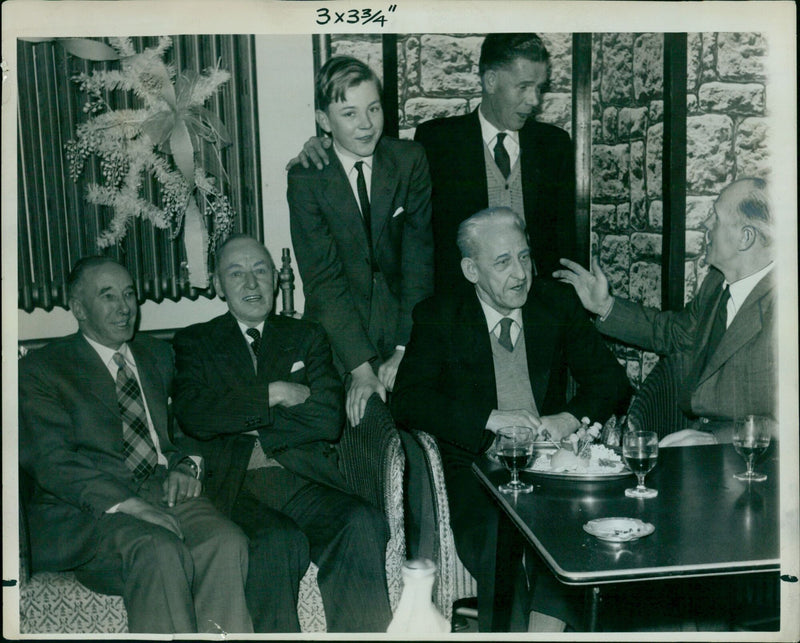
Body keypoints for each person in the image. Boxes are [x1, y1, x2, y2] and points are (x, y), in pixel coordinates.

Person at [391, 207, 631, 631]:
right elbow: (408, 400)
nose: (520, 273)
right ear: (471, 269)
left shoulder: (554, 303)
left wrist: (569, 419)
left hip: (553, 466)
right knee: (500, 543)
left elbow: (611, 381)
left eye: (524, 257)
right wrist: (489, 418)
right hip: (478, 473)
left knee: (581, 532)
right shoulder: (439, 315)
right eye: (502, 262)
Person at [18, 257, 253, 634]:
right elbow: (50, 461)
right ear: (78, 308)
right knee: (158, 550)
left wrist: (186, 465)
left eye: (129, 294)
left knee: (226, 542)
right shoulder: (43, 369)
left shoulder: (157, 355)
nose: (124, 307)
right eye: (107, 296)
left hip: (163, 487)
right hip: (89, 510)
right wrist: (132, 506)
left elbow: (188, 424)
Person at [172, 234, 393, 633]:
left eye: (260, 271)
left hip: (303, 477)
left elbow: (327, 418)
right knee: (276, 543)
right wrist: (273, 393)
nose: (251, 284)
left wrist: (240, 415)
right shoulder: (196, 341)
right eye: (236, 274)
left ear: (275, 279)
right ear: (219, 286)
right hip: (237, 485)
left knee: (362, 521)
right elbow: (194, 414)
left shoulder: (306, 336)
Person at [288, 33, 576, 294]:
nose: (534, 100)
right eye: (524, 87)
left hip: (538, 305)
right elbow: (372, 151)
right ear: (490, 81)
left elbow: (564, 249)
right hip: (459, 312)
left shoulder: (554, 145)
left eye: (539, 87)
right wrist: (323, 145)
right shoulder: (437, 140)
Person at [554, 177, 776, 446]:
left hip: (755, 460)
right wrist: (604, 306)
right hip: (700, 444)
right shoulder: (716, 284)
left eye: (715, 217)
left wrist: (714, 439)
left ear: (746, 237)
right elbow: (673, 331)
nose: (705, 224)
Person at [287, 55, 433, 427]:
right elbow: (322, 281)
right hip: (340, 337)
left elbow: (419, 260)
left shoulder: (409, 160)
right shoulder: (307, 180)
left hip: (407, 326)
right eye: (349, 114)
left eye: (373, 108)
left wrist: (405, 348)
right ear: (324, 121)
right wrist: (360, 368)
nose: (366, 124)